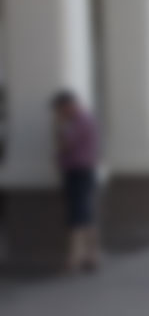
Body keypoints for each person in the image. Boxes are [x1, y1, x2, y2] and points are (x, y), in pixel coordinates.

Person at [51, 90, 101, 273]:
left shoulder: (79, 122)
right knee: (83, 213)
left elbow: (65, 144)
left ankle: (77, 257)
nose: (59, 114)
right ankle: (90, 255)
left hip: (79, 170)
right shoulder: (84, 120)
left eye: (59, 110)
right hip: (80, 170)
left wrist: (59, 127)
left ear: (67, 106)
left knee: (79, 214)